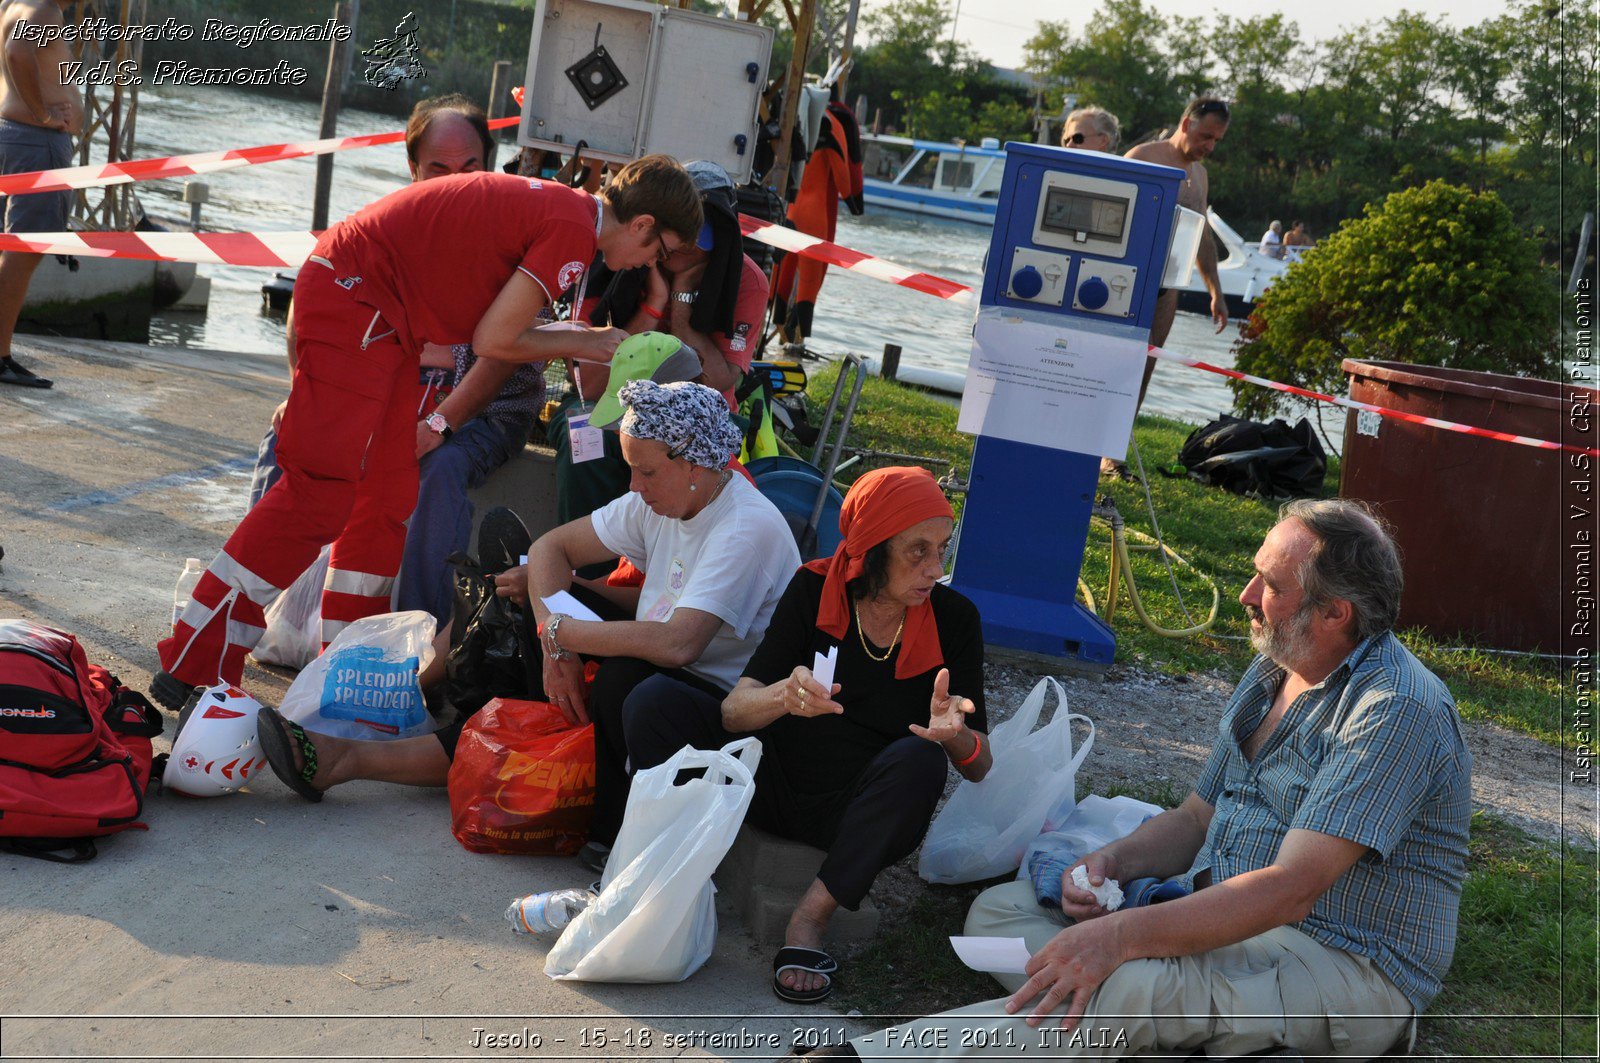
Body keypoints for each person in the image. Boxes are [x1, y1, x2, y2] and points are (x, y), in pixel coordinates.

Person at [786, 499, 1471, 1061]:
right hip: (1238, 924)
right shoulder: (1274, 669)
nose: (1246, 596)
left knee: (1126, 982)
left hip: (1343, 960)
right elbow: (1197, 819)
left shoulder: (1395, 710)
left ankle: (867, 1059)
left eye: (1271, 584)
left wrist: (1121, 938)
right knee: (996, 914)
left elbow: (1291, 890)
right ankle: (1177, 1032)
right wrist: (1109, 863)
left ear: (1335, 614)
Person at [153, 155, 702, 710]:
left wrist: (574, 336)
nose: (643, 266)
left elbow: (497, 330)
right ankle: (193, 659)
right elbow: (493, 341)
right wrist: (583, 342)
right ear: (641, 225)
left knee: (386, 495)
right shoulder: (570, 228)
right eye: (656, 252)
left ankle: (348, 672)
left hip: (384, 318)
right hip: (358, 302)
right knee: (317, 494)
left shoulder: (567, 214)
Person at [253, 379, 797, 803]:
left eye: (646, 472)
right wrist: (556, 625)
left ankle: (351, 755)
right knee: (511, 568)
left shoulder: (743, 529)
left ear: (696, 465)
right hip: (646, 654)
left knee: (557, 674)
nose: (634, 487)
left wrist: (558, 633)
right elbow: (552, 549)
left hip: (692, 692)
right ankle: (425, 687)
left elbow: (679, 642)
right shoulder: (668, 498)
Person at [621, 466, 991, 1004]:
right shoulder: (814, 586)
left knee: (922, 761)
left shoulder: (956, 620)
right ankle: (674, 874)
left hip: (856, 812)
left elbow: (980, 766)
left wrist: (955, 737)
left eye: (942, 549)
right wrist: (781, 696)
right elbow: (733, 712)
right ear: (872, 549)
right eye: (917, 551)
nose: (935, 568)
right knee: (654, 701)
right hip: (767, 782)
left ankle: (809, 920)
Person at [249, 94, 547, 641]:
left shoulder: (519, 236)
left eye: (470, 169)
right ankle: (271, 608)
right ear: (413, 170)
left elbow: (500, 360)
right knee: (288, 436)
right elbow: (315, 306)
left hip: (482, 409)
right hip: (392, 393)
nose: (456, 182)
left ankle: (414, 643)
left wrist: (437, 423)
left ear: (488, 167)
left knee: (436, 471)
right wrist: (310, 394)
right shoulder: (382, 229)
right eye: (439, 169)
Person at [549, 159, 771, 532]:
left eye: (693, 247)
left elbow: (719, 380)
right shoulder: (614, 253)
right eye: (670, 247)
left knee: (679, 463)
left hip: (702, 412)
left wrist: (682, 303)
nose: (674, 256)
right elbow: (590, 385)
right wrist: (653, 305)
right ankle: (580, 569)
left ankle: (649, 576)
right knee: (584, 442)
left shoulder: (747, 280)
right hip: (609, 402)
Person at [1106, 98, 1231, 481]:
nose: (1209, 146)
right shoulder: (1144, 156)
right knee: (1110, 363)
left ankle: (1111, 454)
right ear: (1186, 123)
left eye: (1216, 140)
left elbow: (1202, 236)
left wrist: (1216, 290)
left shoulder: (1201, 176)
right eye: (1206, 135)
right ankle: (1079, 440)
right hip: (1127, 280)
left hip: (1168, 285)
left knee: (1143, 367)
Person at [0, 0, 82, 390]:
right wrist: (44, 115)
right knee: (22, 253)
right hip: (37, 144)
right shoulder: (45, 10)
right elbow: (17, 51)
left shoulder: (12, 5)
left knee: (10, 251)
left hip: (12, 136)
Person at [773, 96, 864, 343]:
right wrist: (855, 202)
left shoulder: (797, 118)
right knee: (810, 282)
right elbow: (844, 176)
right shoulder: (833, 125)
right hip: (814, 217)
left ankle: (775, 332)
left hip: (790, 209)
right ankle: (798, 344)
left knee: (782, 275)